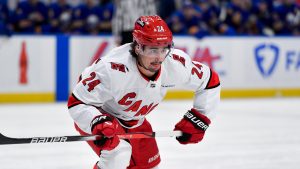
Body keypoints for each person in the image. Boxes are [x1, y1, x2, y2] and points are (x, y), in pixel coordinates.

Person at [68, 15, 220, 169]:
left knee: (149, 166)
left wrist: (200, 118)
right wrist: (97, 122)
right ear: (138, 47)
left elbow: (209, 80)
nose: (159, 58)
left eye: (164, 49)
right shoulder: (112, 69)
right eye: (153, 49)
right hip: (101, 115)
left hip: (135, 120)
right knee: (118, 154)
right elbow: (78, 102)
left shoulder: (175, 64)